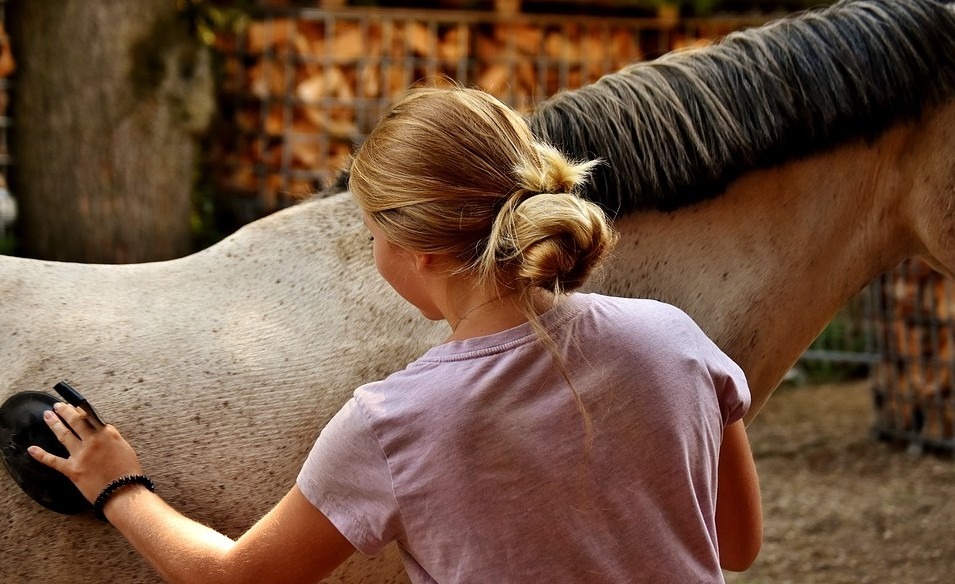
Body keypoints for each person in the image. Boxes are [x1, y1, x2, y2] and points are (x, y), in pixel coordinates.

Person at [30, 84, 761, 583]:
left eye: (370, 229)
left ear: (423, 250)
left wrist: (115, 482)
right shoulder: (675, 339)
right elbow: (736, 543)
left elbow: (236, 576)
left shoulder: (395, 422)